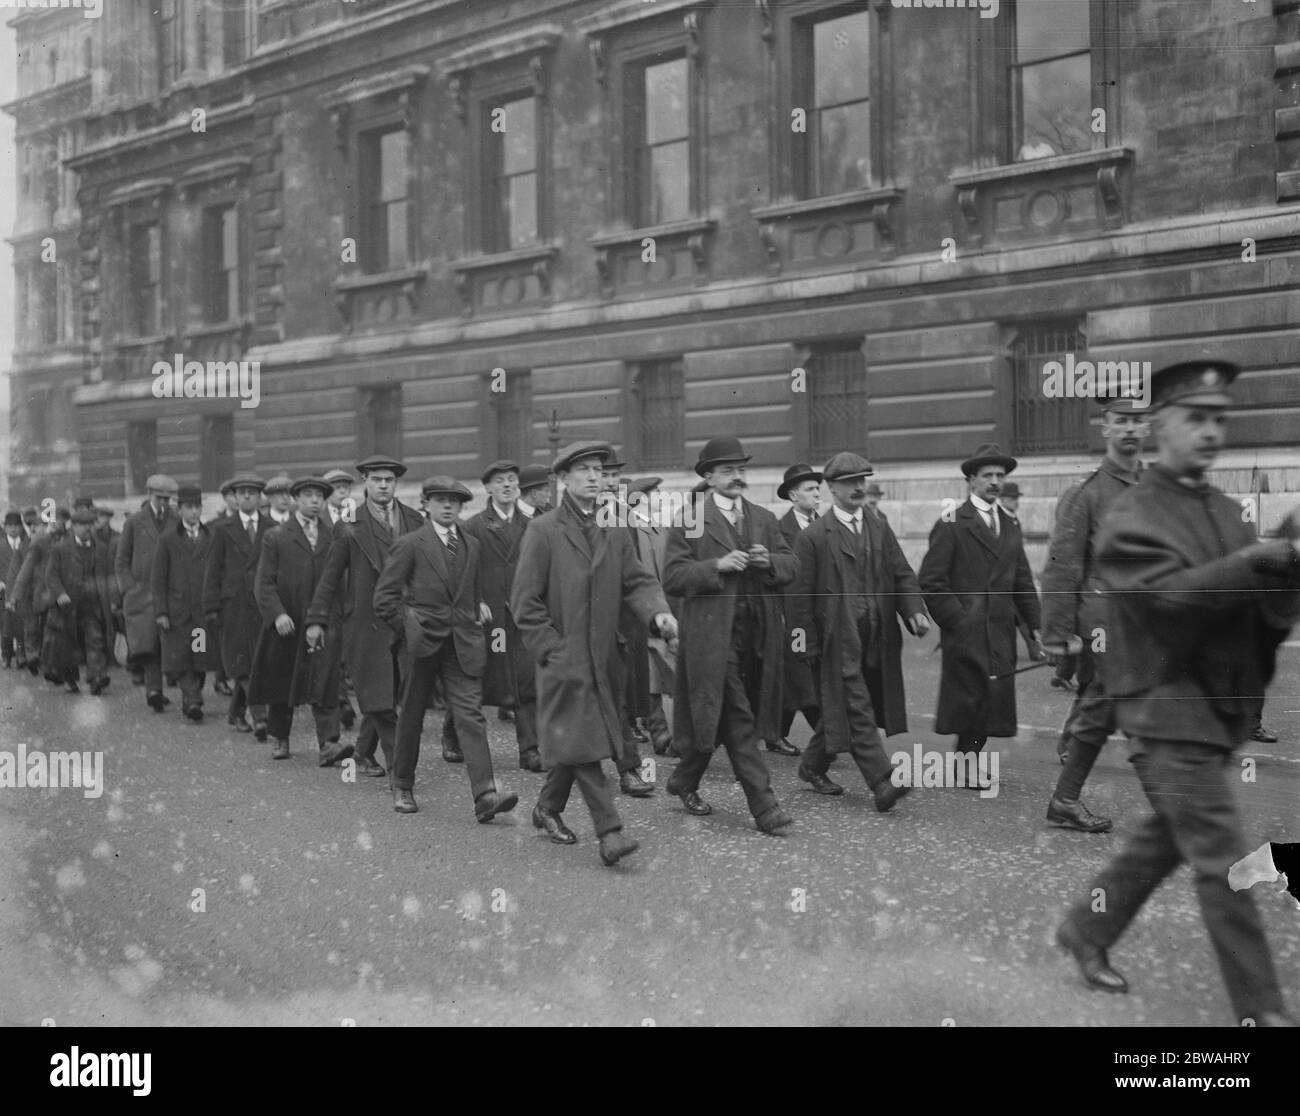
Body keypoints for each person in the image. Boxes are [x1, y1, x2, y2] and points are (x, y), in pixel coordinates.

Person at [1055, 360, 1300, 1027]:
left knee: (1165, 838)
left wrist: (1286, 563)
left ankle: (1087, 929)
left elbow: (1254, 613)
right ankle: (1263, 1011)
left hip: (1215, 706)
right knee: (1223, 860)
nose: (1212, 432)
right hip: (1164, 708)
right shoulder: (1131, 514)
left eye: (1220, 418)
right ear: (1159, 428)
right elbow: (1170, 602)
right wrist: (1254, 562)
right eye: (1196, 418)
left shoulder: (1222, 508)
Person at [511, 442, 675, 864]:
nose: (592, 477)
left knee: (577, 740)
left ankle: (547, 808)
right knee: (584, 746)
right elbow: (524, 604)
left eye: (598, 470)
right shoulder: (543, 530)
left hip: (603, 660)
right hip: (563, 661)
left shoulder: (614, 526)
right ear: (563, 479)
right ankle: (610, 831)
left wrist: (658, 615)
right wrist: (553, 651)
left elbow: (636, 581)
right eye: (581, 470)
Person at [662, 436, 795, 833]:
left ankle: (684, 779)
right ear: (709, 476)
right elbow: (672, 577)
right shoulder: (691, 518)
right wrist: (716, 565)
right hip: (712, 638)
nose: (737, 477)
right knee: (737, 718)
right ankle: (764, 805)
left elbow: (793, 565)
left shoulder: (764, 518)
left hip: (758, 636)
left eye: (741, 470)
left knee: (727, 715)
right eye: (727, 471)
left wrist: (768, 560)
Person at [372, 476, 519, 823]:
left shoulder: (470, 543)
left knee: (470, 714)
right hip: (420, 645)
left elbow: (471, 591)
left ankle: (485, 794)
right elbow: (384, 599)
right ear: (426, 505)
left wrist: (474, 614)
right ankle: (402, 784)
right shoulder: (410, 544)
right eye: (440, 500)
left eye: (454, 501)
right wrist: (409, 627)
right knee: (412, 714)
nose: (448, 506)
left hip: (461, 644)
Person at [791, 453, 928, 808]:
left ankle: (812, 764)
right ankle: (882, 782)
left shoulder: (878, 526)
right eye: (849, 481)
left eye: (862, 480)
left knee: (842, 707)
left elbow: (901, 573)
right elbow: (799, 599)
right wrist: (807, 643)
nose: (857, 487)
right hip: (838, 638)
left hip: (876, 635)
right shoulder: (814, 537)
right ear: (832, 488)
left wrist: (914, 611)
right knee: (858, 706)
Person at [1040, 393, 1147, 832]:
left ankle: (1066, 793)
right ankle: (1065, 798)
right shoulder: (1085, 495)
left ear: (1148, 428)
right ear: (1105, 428)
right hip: (1104, 624)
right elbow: (1062, 567)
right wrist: (1058, 634)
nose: (1129, 429)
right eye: (1120, 421)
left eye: (1137, 422)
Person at [918, 443, 1042, 762]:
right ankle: (965, 763)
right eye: (987, 475)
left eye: (1000, 475)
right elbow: (931, 581)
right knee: (970, 700)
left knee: (992, 702)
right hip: (967, 631)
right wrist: (958, 621)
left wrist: (1036, 626)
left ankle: (969, 761)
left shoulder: (1009, 523)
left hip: (1000, 630)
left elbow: (1023, 580)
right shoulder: (953, 522)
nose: (995, 482)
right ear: (971, 480)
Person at [306, 455, 424, 776]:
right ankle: (402, 778)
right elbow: (330, 576)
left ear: (396, 483)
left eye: (389, 480)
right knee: (382, 701)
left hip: (405, 621)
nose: (383, 485)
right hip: (366, 623)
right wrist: (316, 619)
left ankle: (361, 753)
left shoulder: (415, 520)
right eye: (376, 480)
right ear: (365, 483)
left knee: (390, 693)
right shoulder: (350, 524)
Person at [443, 460, 542, 771]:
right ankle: (453, 734)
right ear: (487, 488)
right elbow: (459, 574)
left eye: (512, 479)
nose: (508, 485)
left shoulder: (533, 525)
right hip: (489, 619)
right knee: (479, 677)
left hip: (522, 616)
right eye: (500, 481)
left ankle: (530, 749)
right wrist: (476, 602)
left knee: (527, 680)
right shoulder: (472, 527)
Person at [249, 476, 343, 761]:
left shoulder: (333, 536)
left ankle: (328, 743)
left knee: (325, 679)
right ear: (296, 500)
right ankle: (281, 738)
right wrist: (277, 614)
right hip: (288, 621)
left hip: (323, 620)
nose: (315, 501)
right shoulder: (276, 536)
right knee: (283, 678)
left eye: (319, 496)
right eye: (309, 495)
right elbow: (263, 583)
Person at [203, 475, 272, 739]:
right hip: (234, 606)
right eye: (242, 492)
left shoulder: (272, 527)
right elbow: (212, 570)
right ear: (235, 497)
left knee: (256, 662)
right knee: (242, 663)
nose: (246, 497)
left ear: (259, 498)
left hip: (262, 605)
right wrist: (210, 606)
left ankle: (236, 712)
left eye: (252, 493)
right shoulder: (223, 529)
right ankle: (260, 717)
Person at [152, 485, 217, 720]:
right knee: (182, 658)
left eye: (197, 507)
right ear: (179, 510)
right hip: (178, 612)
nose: (194, 512)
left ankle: (194, 694)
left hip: (201, 613)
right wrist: (161, 611)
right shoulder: (168, 539)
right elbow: (158, 578)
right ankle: (191, 700)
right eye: (189, 507)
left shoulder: (210, 536)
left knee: (199, 657)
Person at [772, 462, 823, 755]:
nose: (817, 494)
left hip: (819, 615)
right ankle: (825, 733)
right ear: (793, 496)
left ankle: (777, 732)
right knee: (799, 671)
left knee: (801, 673)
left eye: (818, 489)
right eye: (810, 489)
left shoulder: (825, 526)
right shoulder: (781, 530)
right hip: (791, 616)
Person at [115, 474, 178, 712]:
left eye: (167, 499)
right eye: (159, 498)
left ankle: (172, 686)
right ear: (149, 494)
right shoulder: (134, 522)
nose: (163, 503)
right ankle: (154, 690)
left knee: (169, 642)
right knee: (148, 644)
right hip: (141, 594)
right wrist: (129, 587)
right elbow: (121, 560)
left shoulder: (176, 519)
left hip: (170, 592)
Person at [626, 476, 675, 757]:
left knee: (662, 669)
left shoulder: (661, 527)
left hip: (662, 607)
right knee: (652, 671)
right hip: (641, 612)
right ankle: (659, 731)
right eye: (656, 492)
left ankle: (658, 725)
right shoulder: (631, 528)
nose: (660, 496)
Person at [2, 511, 29, 667]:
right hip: (2, 590)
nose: (13, 529)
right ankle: (6, 655)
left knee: (20, 622)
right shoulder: (0, 544)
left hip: (20, 590)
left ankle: (21, 654)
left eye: (16, 526)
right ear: (5, 528)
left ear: (21, 527)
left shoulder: (26, 544)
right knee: (4, 621)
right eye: (10, 526)